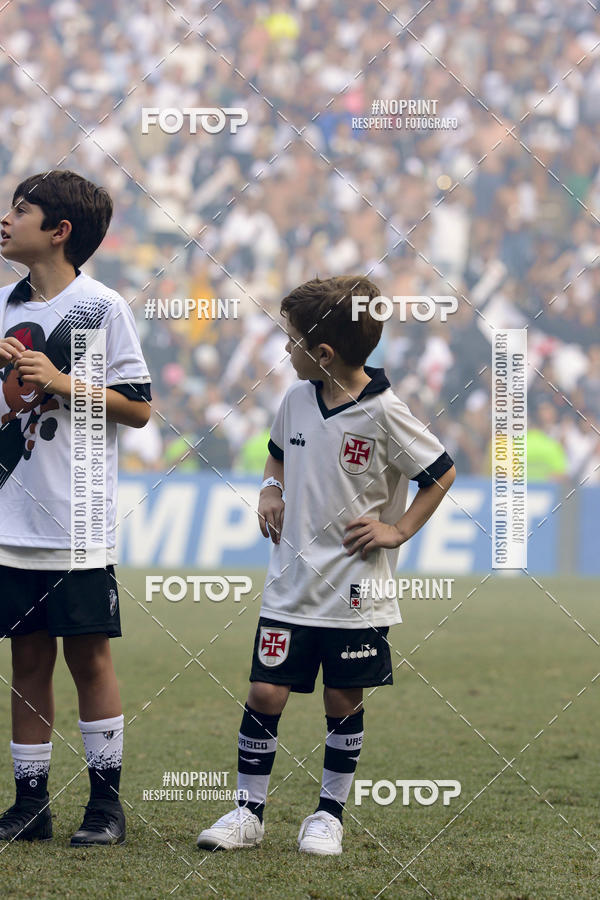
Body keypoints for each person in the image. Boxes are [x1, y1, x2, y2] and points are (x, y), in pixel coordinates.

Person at [197, 275, 455, 855]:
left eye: (290, 340)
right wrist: (269, 489)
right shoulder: (294, 399)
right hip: (289, 587)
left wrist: (399, 529)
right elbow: (278, 454)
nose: (283, 349)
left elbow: (441, 472)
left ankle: (328, 816)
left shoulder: (386, 413)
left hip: (354, 594)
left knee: (343, 700)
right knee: (265, 693)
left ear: (323, 354)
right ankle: (248, 812)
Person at [0, 170, 151, 845]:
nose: (7, 218)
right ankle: (29, 804)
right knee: (26, 660)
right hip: (10, 522)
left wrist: (62, 381)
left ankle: (104, 807)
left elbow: (140, 408)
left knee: (89, 660)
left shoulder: (100, 308)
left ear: (59, 231)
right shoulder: (4, 305)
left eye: (21, 209)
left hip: (77, 521)